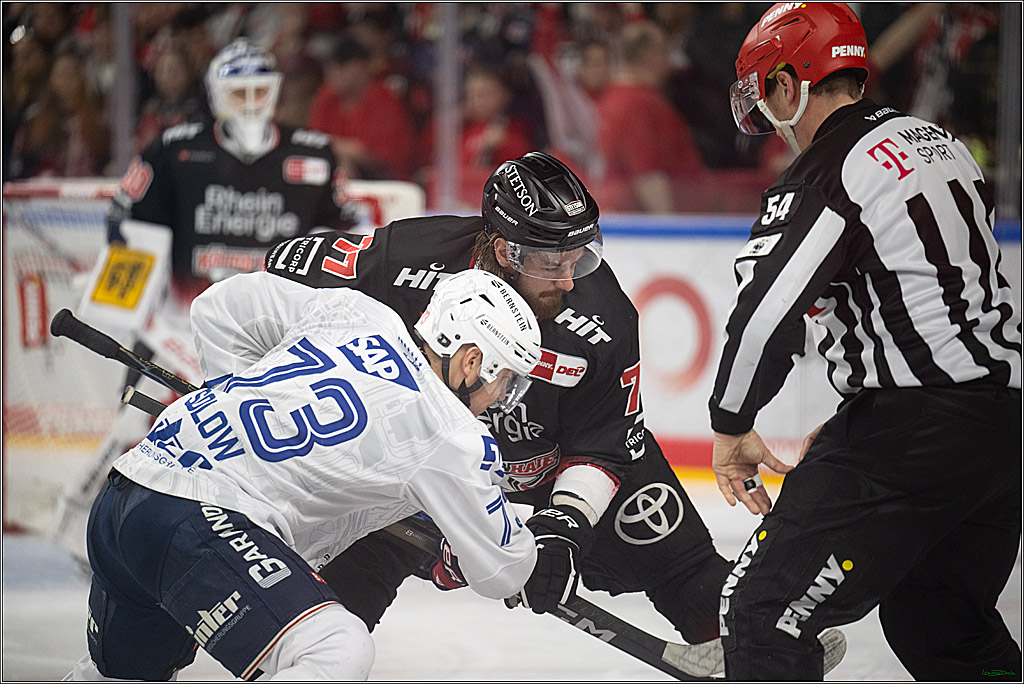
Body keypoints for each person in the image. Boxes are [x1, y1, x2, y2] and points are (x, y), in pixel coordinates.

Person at [265, 151, 733, 646]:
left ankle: (759, 662)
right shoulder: (409, 257)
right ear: (507, 252)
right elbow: (282, 272)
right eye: (554, 263)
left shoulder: (604, 319)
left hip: (552, 460)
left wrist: (565, 525)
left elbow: (605, 440)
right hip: (417, 462)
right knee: (334, 607)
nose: (572, 279)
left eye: (580, 255)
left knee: (687, 572)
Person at [710, 3, 1022, 680]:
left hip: (916, 428)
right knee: (942, 627)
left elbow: (765, 315)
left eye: (766, 96)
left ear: (788, 85)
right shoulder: (936, 142)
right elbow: (926, 299)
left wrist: (730, 426)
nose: (767, 122)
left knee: (761, 608)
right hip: (1000, 428)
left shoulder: (827, 171)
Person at [65, 268, 542, 681]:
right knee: (335, 650)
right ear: (472, 360)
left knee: (123, 677)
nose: (500, 401)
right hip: (198, 523)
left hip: (128, 493)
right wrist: (496, 555)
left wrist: (238, 406)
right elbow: (503, 569)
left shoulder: (362, 315)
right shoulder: (452, 434)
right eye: (507, 383)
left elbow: (219, 307)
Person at [49, 38, 355, 566]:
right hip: (179, 321)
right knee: (137, 423)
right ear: (217, 94)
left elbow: (352, 232)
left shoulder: (315, 154)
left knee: (277, 433)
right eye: (240, 91)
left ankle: (284, 543)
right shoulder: (174, 148)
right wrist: (133, 296)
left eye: (262, 89)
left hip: (274, 329)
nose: (252, 101)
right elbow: (126, 218)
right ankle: (92, 533)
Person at [594, 20, 704, 214]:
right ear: (649, 55)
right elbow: (647, 173)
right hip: (651, 219)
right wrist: (668, 227)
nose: (669, 60)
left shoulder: (613, 98)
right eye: (665, 52)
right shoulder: (638, 104)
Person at [306, 36, 415, 181]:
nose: (332, 74)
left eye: (340, 66)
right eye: (329, 67)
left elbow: (385, 161)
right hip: (339, 175)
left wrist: (344, 149)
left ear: (360, 66)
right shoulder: (326, 97)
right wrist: (345, 149)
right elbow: (315, 144)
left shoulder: (384, 100)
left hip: (387, 184)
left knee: (343, 164)